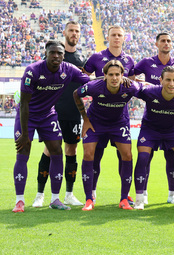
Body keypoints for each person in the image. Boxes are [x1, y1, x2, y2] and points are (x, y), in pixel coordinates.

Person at [12, 40, 90, 213]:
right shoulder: (32, 71)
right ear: (46, 54)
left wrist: (113, 78)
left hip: (48, 115)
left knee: (56, 151)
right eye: (52, 52)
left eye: (59, 53)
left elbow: (90, 81)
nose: (56, 56)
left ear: (63, 55)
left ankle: (55, 199)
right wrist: (25, 134)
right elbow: (24, 104)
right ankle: (20, 201)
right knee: (23, 151)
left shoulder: (68, 69)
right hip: (28, 116)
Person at [74, 60, 142, 211]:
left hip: (118, 123)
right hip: (95, 123)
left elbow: (148, 92)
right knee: (88, 154)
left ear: (122, 75)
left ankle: (124, 198)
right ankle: (89, 199)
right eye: (110, 74)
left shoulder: (130, 87)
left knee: (127, 155)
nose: (114, 78)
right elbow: (76, 94)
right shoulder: (94, 87)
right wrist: (85, 119)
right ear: (104, 76)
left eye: (117, 74)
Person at [32, 21, 86, 208]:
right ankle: (40, 194)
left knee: (71, 151)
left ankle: (69, 194)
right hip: (52, 112)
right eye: (71, 30)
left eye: (77, 31)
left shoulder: (81, 59)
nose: (74, 34)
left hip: (73, 112)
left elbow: (87, 83)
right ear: (64, 32)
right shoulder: (54, 55)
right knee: (50, 150)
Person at [83, 25, 135, 205]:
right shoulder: (97, 57)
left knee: (124, 155)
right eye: (113, 35)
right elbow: (84, 77)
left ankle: (125, 195)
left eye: (119, 35)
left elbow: (132, 84)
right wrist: (98, 83)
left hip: (121, 115)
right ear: (108, 37)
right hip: (98, 113)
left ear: (123, 38)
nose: (116, 38)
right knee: (95, 154)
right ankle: (92, 192)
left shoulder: (129, 60)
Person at [134, 32, 174, 205]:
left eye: (169, 41)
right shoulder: (146, 62)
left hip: (171, 120)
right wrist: (143, 84)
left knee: (171, 157)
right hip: (152, 116)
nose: (166, 43)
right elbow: (130, 78)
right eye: (163, 41)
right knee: (145, 157)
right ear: (156, 44)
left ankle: (172, 195)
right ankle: (143, 194)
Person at [133, 66, 174, 210]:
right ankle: (139, 199)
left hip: (172, 130)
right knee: (142, 158)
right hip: (150, 129)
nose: (171, 84)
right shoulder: (149, 92)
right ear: (160, 80)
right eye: (167, 80)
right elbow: (130, 87)